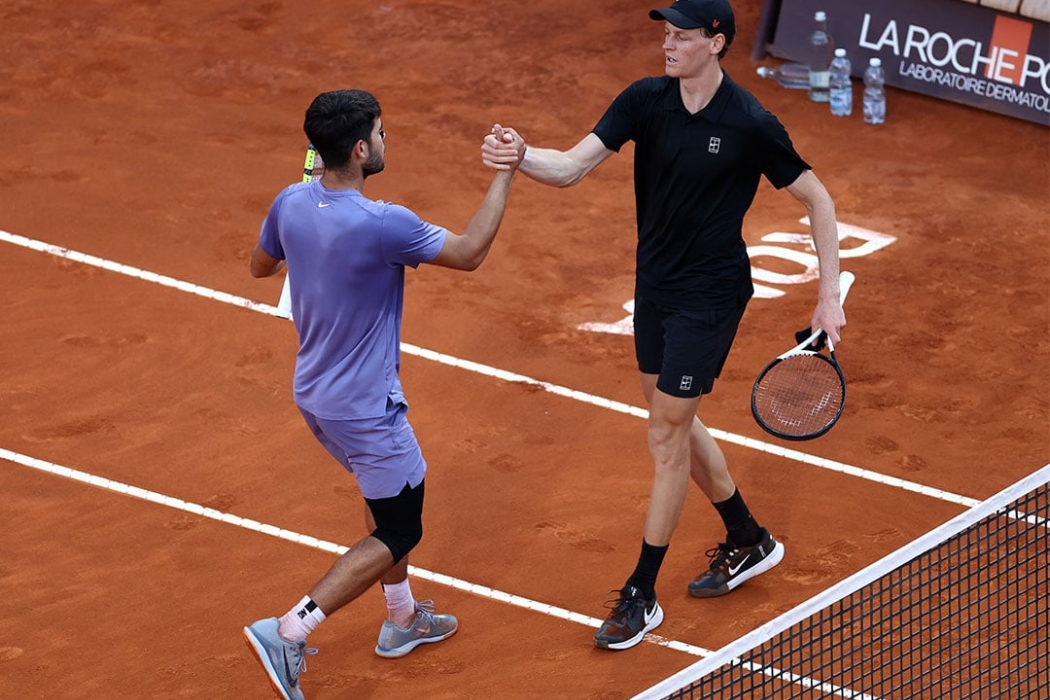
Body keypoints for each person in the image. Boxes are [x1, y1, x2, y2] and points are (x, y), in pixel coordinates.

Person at [481, 0, 846, 651]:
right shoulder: (645, 101)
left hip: (710, 295)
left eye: (681, 35)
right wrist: (521, 153)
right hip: (654, 287)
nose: (667, 45)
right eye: (666, 34)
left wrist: (828, 298)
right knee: (664, 410)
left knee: (667, 432)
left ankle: (640, 594)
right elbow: (569, 168)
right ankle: (749, 538)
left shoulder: (748, 123)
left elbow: (817, 198)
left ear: (717, 42)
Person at [243, 89, 525, 699]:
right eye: (381, 132)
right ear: (359, 148)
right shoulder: (383, 223)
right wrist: (504, 174)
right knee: (400, 527)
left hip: (314, 394)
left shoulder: (290, 201)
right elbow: (471, 252)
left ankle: (400, 619)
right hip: (367, 407)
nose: (386, 139)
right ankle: (290, 629)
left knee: (384, 496)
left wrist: (308, 235)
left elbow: (261, 269)